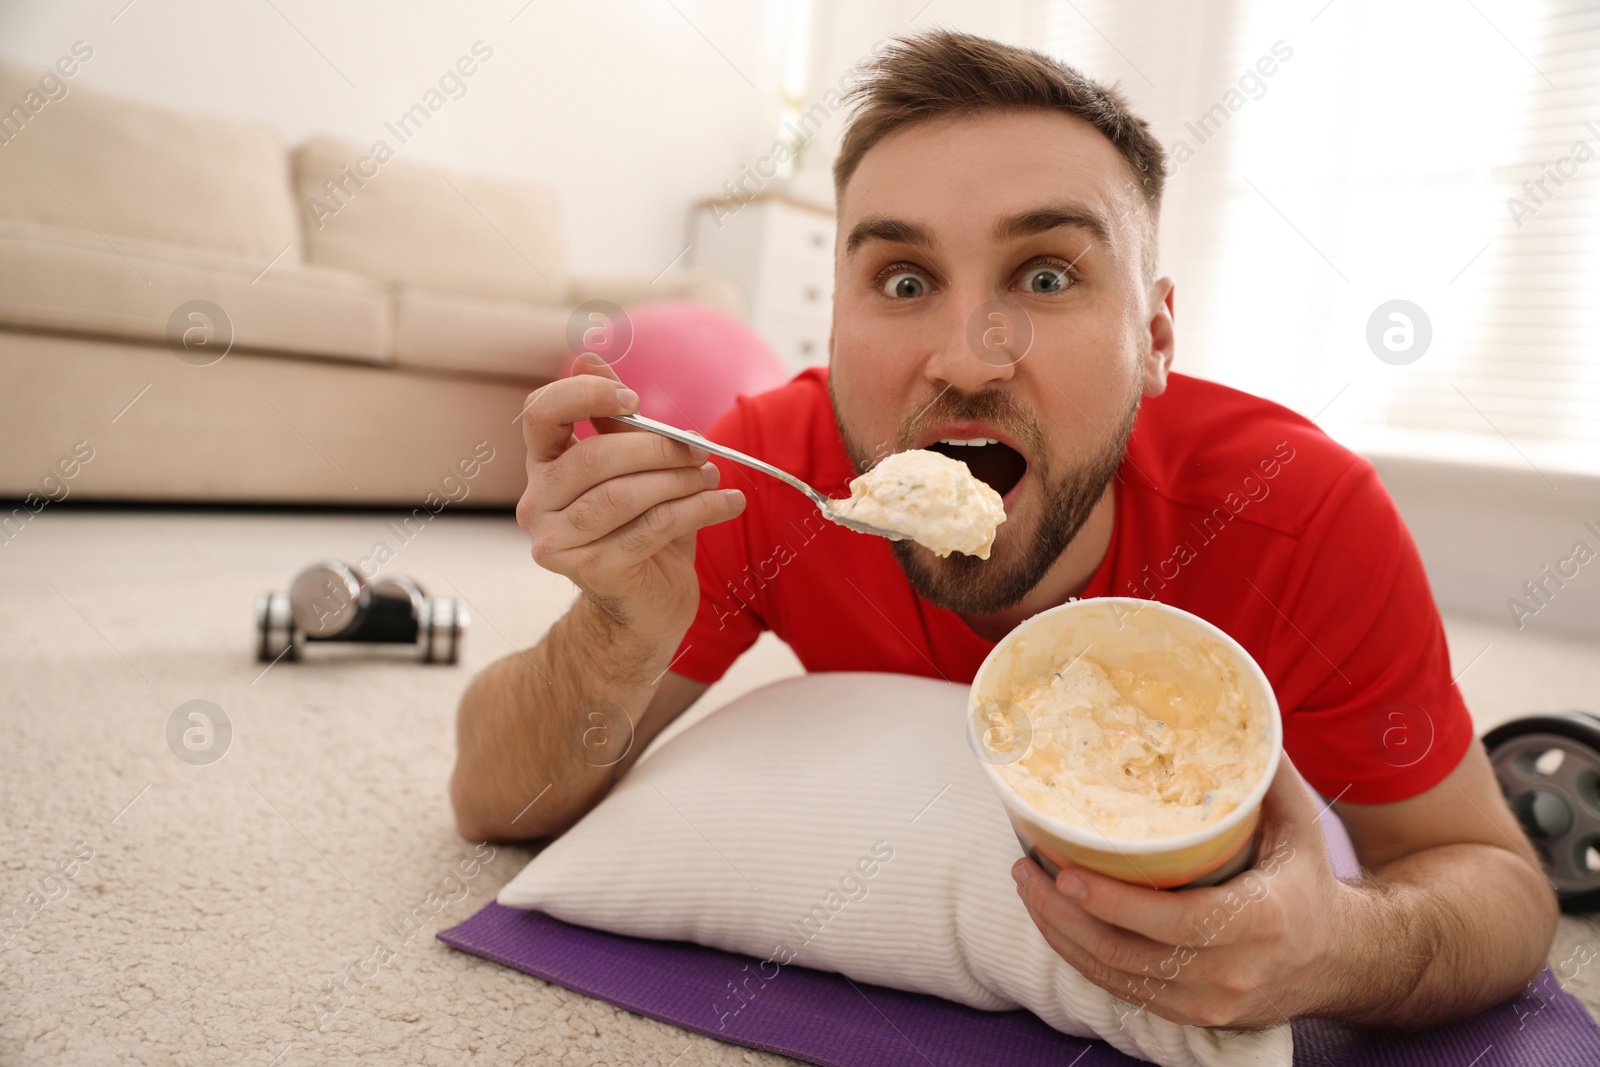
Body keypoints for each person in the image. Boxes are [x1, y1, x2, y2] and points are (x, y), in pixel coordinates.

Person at [451, 30, 1555, 1031]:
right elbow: (495, 802)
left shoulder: (1299, 515)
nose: (966, 357)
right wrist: (617, 627)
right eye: (900, 279)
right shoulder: (767, 475)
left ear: (1156, 334)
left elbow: (1492, 881)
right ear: (832, 323)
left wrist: (1337, 948)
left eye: (1044, 274)